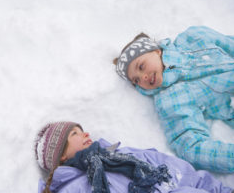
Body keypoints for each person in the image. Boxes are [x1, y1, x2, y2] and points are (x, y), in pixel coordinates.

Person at [114, 26, 234, 173]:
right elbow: (191, 148)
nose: (143, 77)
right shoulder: (170, 101)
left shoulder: (193, 37)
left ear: (156, 51)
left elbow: (228, 43)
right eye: (136, 80)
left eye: (141, 66)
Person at [35, 121, 233, 193]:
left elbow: (179, 172)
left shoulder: (124, 155)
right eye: (75, 134)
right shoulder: (71, 188)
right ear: (61, 155)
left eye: (82, 130)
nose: (86, 134)